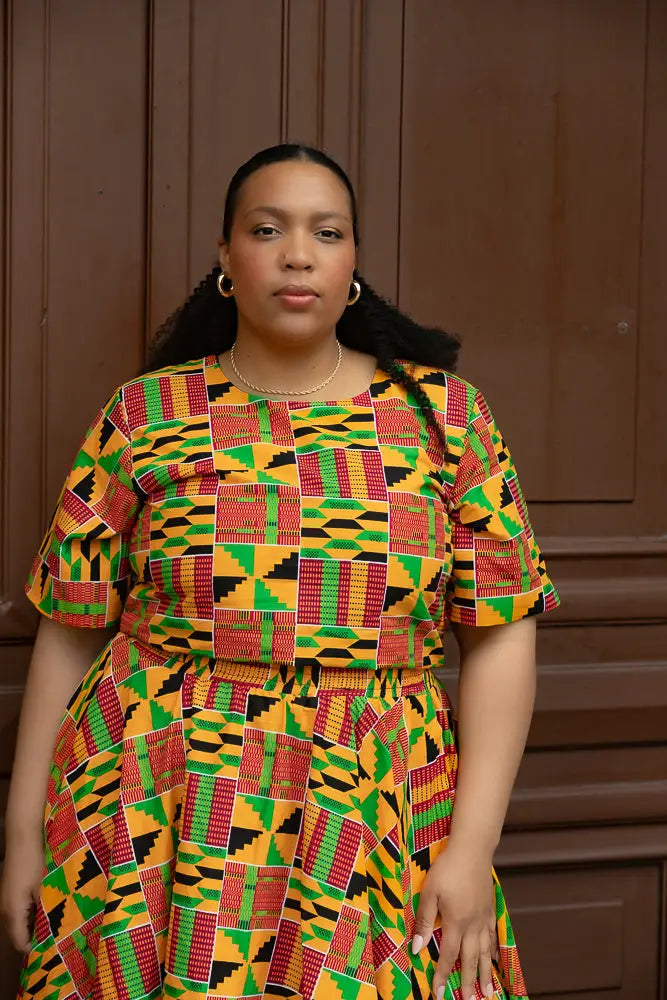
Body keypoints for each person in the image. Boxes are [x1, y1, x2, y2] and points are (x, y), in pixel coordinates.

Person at [1, 143, 559, 1000]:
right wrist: (21, 834)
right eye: (267, 230)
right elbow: (69, 630)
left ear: (352, 262)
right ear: (226, 259)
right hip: (151, 799)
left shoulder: (445, 418)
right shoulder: (146, 413)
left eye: (325, 232)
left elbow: (501, 633)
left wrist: (472, 845)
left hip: (370, 799)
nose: (298, 254)